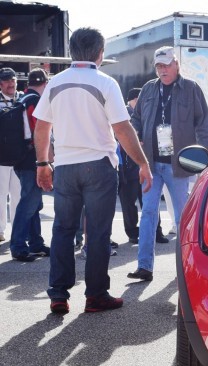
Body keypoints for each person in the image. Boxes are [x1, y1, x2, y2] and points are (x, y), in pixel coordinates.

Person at [33, 27, 153, 314]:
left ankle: (58, 295)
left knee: (62, 230)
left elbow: (41, 126)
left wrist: (42, 164)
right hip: (99, 166)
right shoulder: (106, 82)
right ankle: (96, 295)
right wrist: (142, 163)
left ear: (72, 52)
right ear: (100, 53)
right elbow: (122, 129)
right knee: (97, 233)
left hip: (64, 166)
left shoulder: (55, 82)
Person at [127, 45, 208, 281]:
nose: (162, 70)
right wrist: (135, 140)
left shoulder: (191, 89)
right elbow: (135, 120)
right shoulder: (148, 89)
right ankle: (144, 266)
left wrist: (204, 156)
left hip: (180, 165)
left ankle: (187, 268)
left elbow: (204, 124)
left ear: (177, 64)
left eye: (166, 65)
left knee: (182, 218)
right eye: (158, 66)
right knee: (147, 213)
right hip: (151, 164)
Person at [118, 87, 168, 245]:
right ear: (132, 99)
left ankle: (156, 232)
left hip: (146, 164)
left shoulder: (147, 113)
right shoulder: (123, 113)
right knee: (129, 202)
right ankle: (133, 233)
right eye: (140, 98)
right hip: (127, 166)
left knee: (150, 201)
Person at [10, 68, 50, 262]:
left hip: (19, 158)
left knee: (33, 202)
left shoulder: (22, 99)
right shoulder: (36, 101)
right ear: (45, 83)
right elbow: (39, 132)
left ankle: (36, 243)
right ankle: (18, 245)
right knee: (29, 203)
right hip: (31, 159)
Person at [0, 67, 22, 243]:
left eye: (12, 80)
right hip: (1, 157)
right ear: (0, 84)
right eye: (7, 81)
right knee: (0, 195)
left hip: (20, 158)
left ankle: (17, 229)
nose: (11, 83)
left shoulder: (22, 98)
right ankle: (0, 230)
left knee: (18, 195)